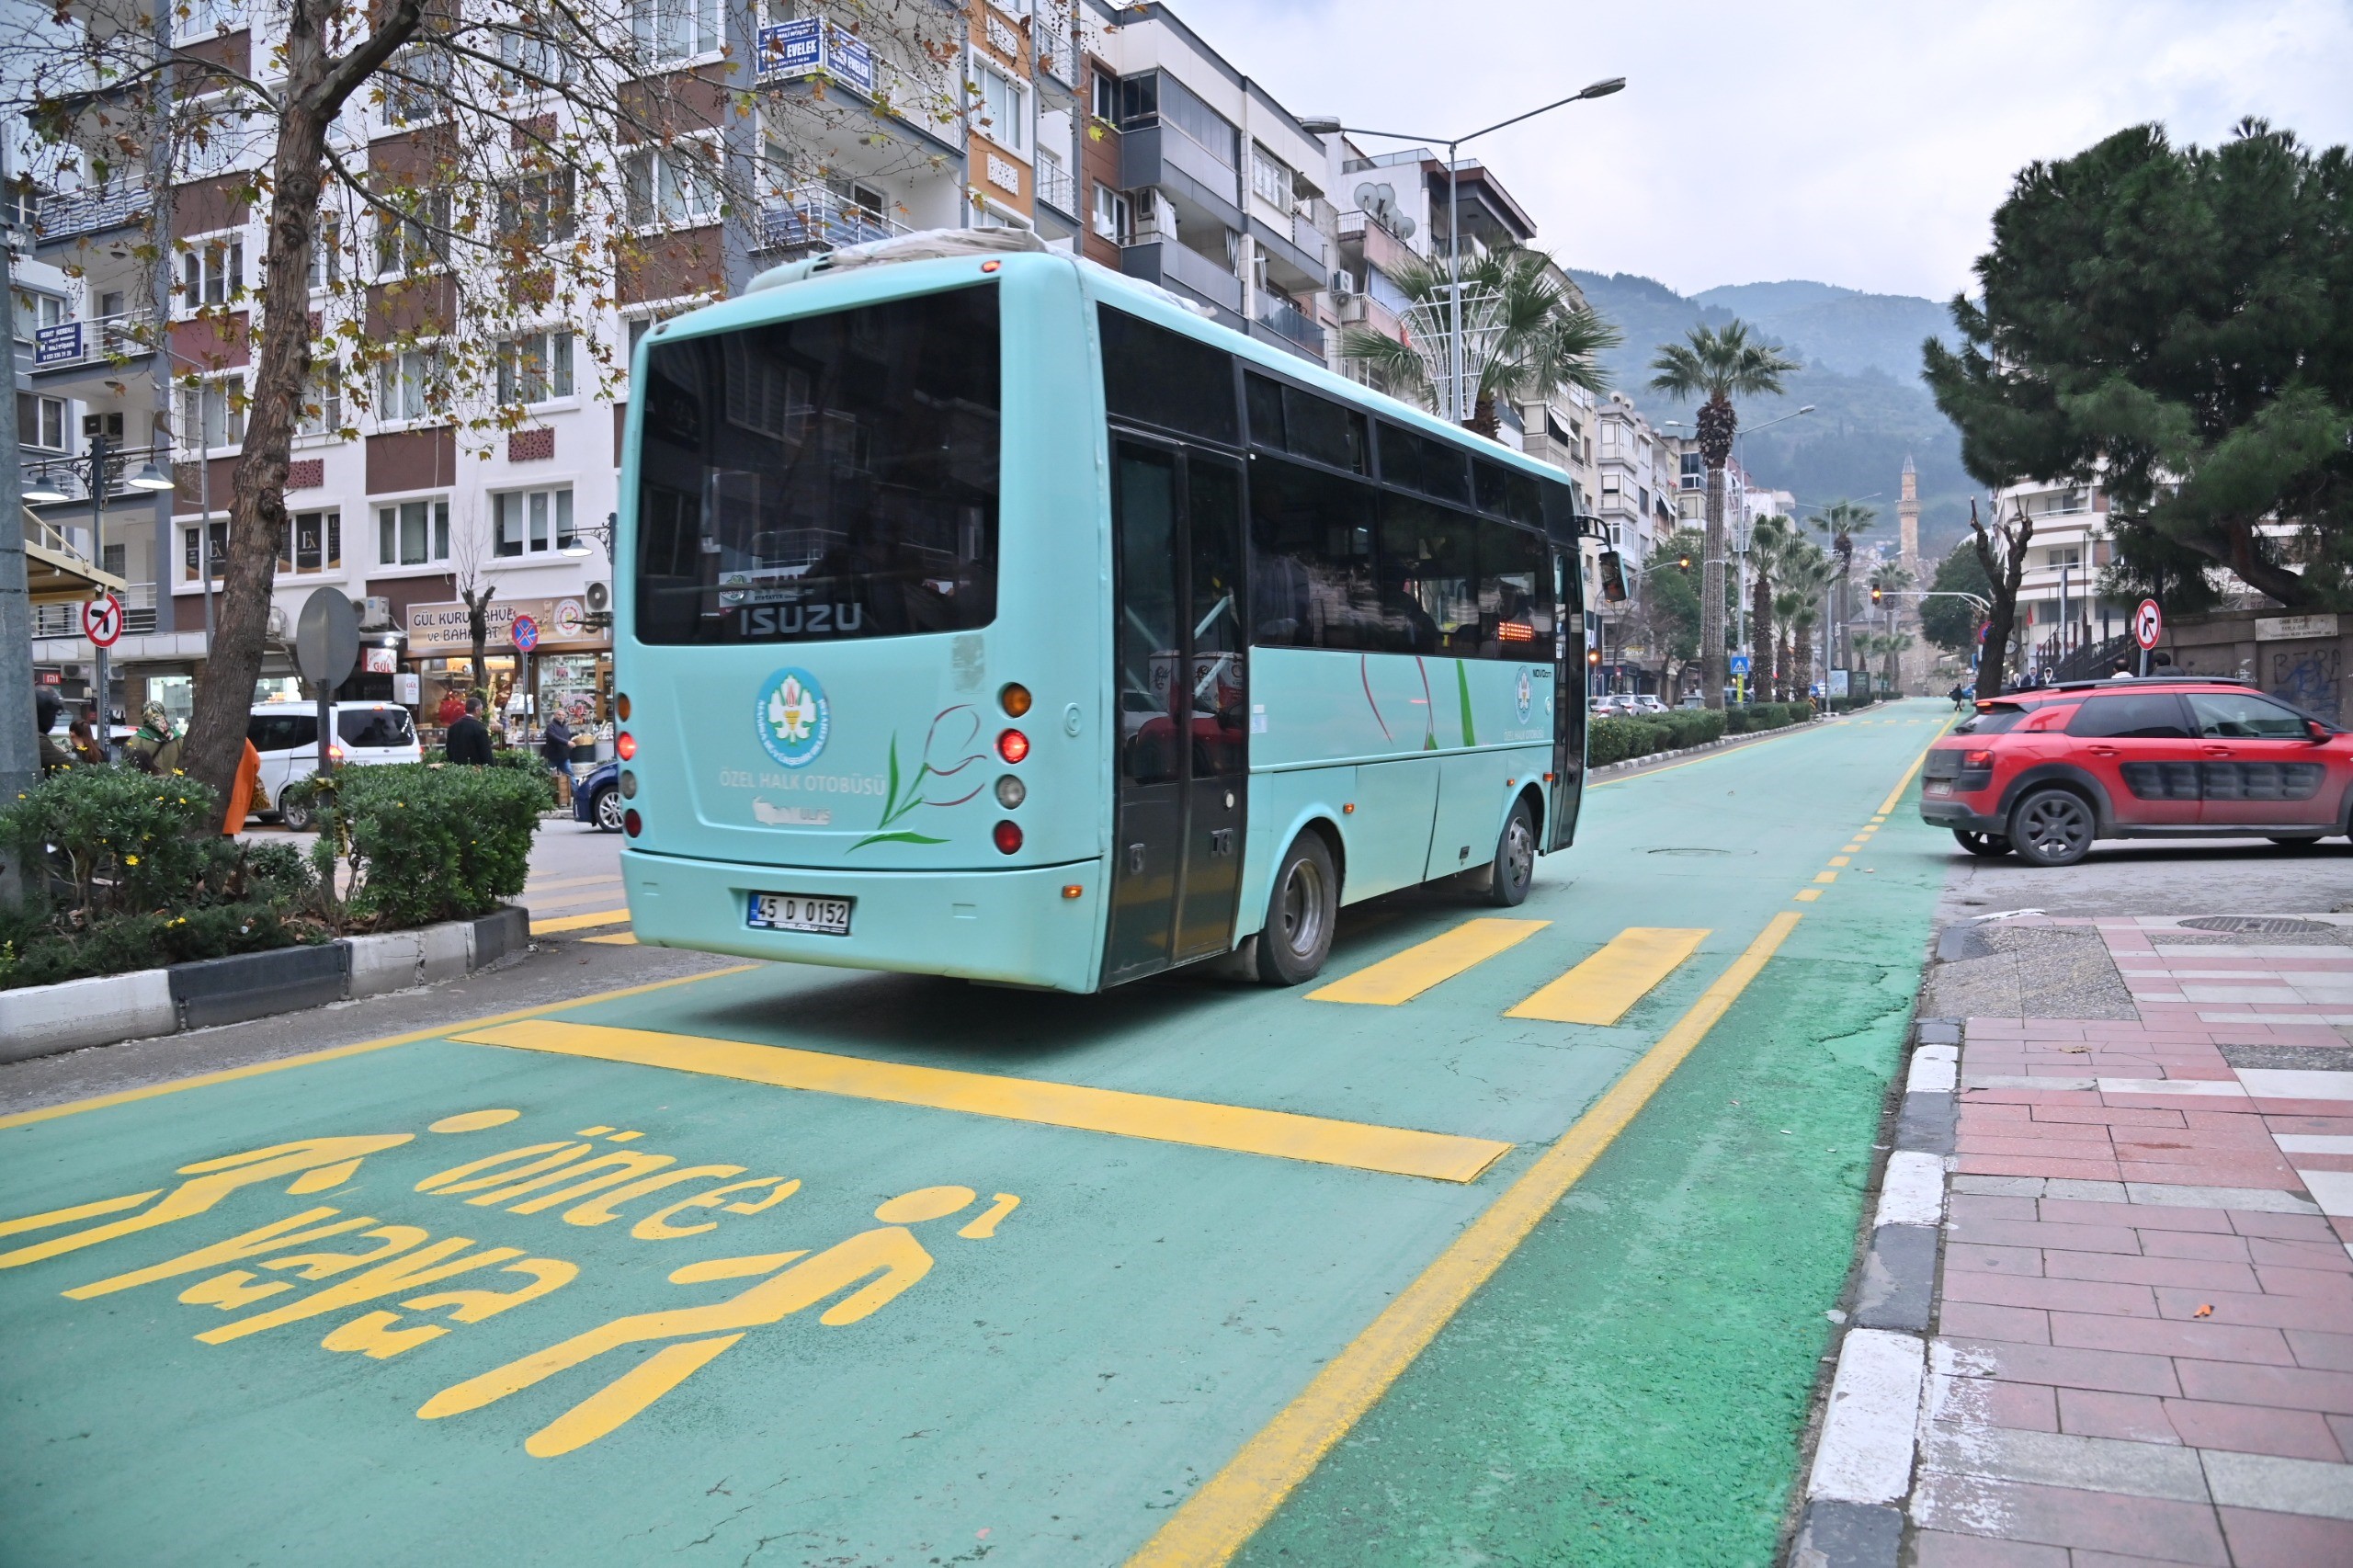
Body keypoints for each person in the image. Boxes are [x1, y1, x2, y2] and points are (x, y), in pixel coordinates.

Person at [123, 702, 182, 775]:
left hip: (148, 784)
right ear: (164, 715)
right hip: (176, 784)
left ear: (143, 718)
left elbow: (128, 769)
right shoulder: (179, 739)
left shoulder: (133, 742)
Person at [444, 695, 494, 766]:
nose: (481, 712)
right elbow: (486, 754)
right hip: (475, 771)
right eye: (481, 710)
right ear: (477, 710)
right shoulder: (480, 728)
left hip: (456, 770)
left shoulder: (453, 727)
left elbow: (449, 750)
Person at [34, 688, 74, 774]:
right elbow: (73, 768)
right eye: (55, 713)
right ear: (44, 713)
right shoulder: (37, 742)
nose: (55, 718)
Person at [540, 711, 574, 807]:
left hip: (564, 757)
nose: (561, 717)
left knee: (571, 775)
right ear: (555, 715)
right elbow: (554, 737)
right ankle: (544, 797)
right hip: (552, 757)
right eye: (559, 715)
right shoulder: (551, 726)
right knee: (546, 776)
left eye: (563, 715)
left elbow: (567, 737)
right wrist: (567, 742)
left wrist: (570, 742)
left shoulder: (566, 727)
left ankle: (577, 796)